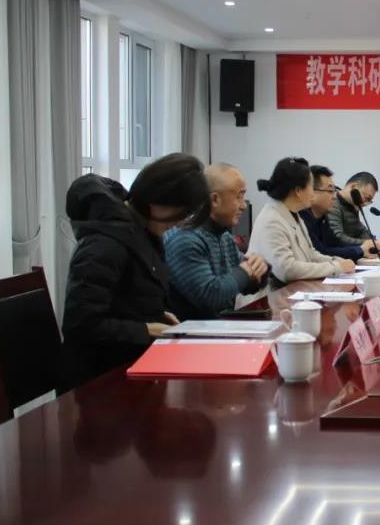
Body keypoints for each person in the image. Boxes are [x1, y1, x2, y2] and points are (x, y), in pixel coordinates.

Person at [62, 153, 209, 386]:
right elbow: (81, 325)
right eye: (181, 213)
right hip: (99, 381)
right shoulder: (106, 243)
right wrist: (146, 328)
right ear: (157, 203)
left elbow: (126, 297)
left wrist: (154, 313)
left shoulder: (142, 231)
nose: (179, 223)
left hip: (132, 364)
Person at [164, 163, 269, 319]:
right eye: (239, 196)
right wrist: (245, 271)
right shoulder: (184, 239)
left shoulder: (223, 236)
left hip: (219, 324)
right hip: (192, 330)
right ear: (214, 199)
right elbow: (210, 297)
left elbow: (244, 285)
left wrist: (260, 269)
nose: (243, 206)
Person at [247, 157, 355, 285]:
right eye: (311, 187)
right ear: (298, 190)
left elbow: (310, 254)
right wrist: (335, 268)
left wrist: (335, 261)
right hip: (270, 295)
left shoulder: (294, 213)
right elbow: (287, 270)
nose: (313, 193)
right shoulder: (271, 220)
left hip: (293, 290)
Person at [299, 165, 380, 261]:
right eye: (330, 191)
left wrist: (372, 244)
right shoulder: (303, 217)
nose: (334, 196)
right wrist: (360, 249)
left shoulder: (323, 217)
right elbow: (321, 252)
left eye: (334, 190)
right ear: (312, 192)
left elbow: (336, 243)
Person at [328, 171, 380, 249]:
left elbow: (360, 231)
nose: (365, 204)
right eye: (367, 198)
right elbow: (337, 238)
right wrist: (369, 243)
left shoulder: (352, 204)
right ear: (353, 187)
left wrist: (375, 242)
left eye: (370, 201)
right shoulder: (332, 202)